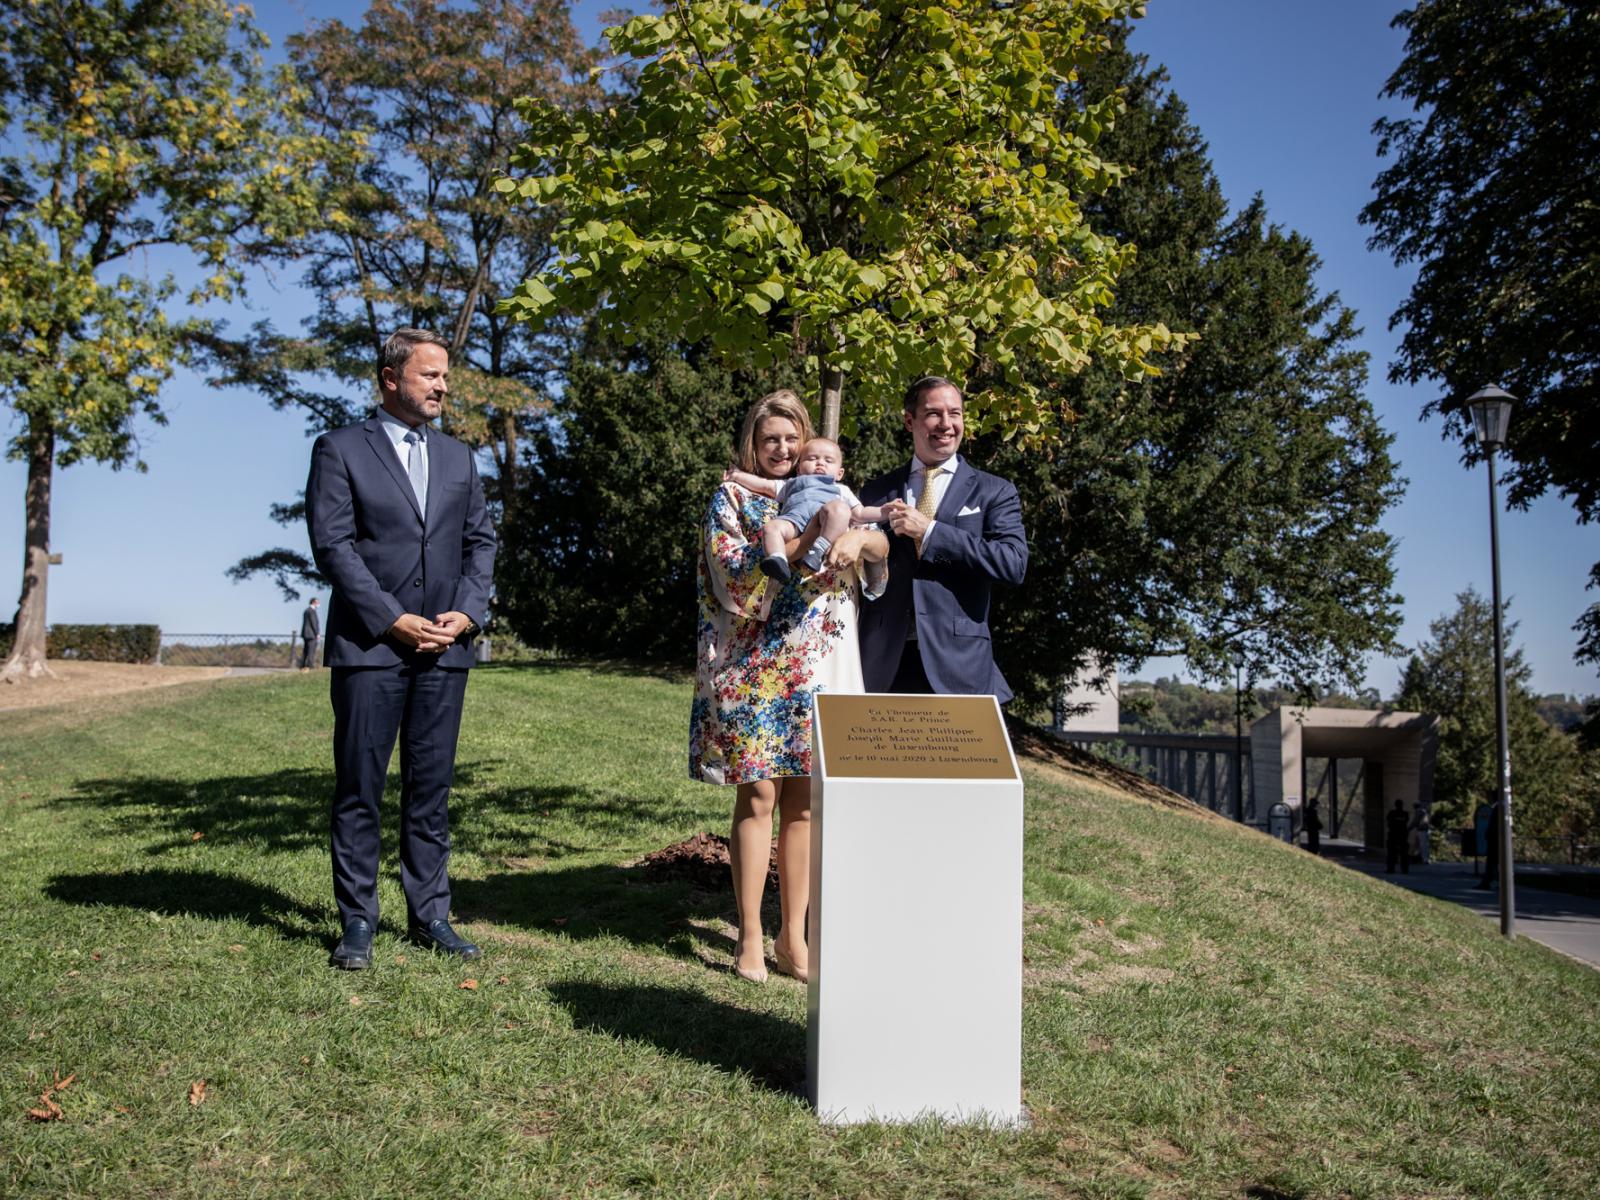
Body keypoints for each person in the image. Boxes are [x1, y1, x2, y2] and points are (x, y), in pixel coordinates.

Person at [306, 328, 496, 971]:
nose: (443, 385)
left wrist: (467, 613)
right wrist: (391, 620)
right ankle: (357, 919)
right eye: (431, 375)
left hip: (445, 650)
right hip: (369, 648)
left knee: (431, 788)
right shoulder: (338, 450)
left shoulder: (460, 459)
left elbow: (481, 544)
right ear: (391, 379)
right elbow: (334, 546)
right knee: (360, 787)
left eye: (445, 375)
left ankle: (431, 915)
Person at [689, 390, 888, 984]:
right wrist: (806, 546)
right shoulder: (732, 497)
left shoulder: (831, 491)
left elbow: (876, 564)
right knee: (758, 797)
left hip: (823, 662)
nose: (782, 448)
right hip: (754, 664)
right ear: (753, 443)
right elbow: (732, 575)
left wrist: (867, 541)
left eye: (791, 438)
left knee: (805, 805)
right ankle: (749, 935)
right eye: (770, 439)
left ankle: (792, 937)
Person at [855, 376, 1028, 698]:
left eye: (956, 413)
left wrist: (931, 533)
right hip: (882, 663)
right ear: (910, 420)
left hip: (958, 665)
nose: (946, 424)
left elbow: (1013, 563)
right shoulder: (876, 491)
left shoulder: (994, 490)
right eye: (934, 413)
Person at [724, 437, 889, 581]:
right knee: (771, 527)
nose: (820, 463)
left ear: (839, 473)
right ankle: (777, 558)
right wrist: (737, 476)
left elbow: (860, 513)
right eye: (811, 458)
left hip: (826, 520)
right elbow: (764, 485)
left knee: (840, 510)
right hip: (794, 521)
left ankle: (820, 547)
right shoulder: (790, 484)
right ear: (799, 468)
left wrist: (884, 511)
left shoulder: (840, 489)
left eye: (828, 460)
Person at [1385, 798, 1411, 874]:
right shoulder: (1405, 814)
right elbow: (1406, 822)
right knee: (1404, 854)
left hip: (1393, 835)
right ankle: (1404, 870)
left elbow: (1388, 823)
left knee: (1391, 854)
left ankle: (1391, 869)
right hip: (1402, 836)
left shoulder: (1392, 813)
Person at [298, 597, 321, 671]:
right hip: (311, 634)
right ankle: (310, 666)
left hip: (305, 633)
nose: (318, 604)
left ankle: (302, 665)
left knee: (305, 650)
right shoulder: (312, 611)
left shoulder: (306, 610)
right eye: (317, 602)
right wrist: (317, 633)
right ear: (314, 602)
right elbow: (313, 623)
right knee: (311, 650)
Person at [1410, 800, 1432, 866]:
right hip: (1426, 830)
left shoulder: (1419, 811)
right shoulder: (1424, 811)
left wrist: (1409, 829)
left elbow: (1414, 822)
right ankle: (1425, 858)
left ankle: (1424, 859)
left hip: (1422, 831)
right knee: (1425, 845)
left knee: (1423, 845)